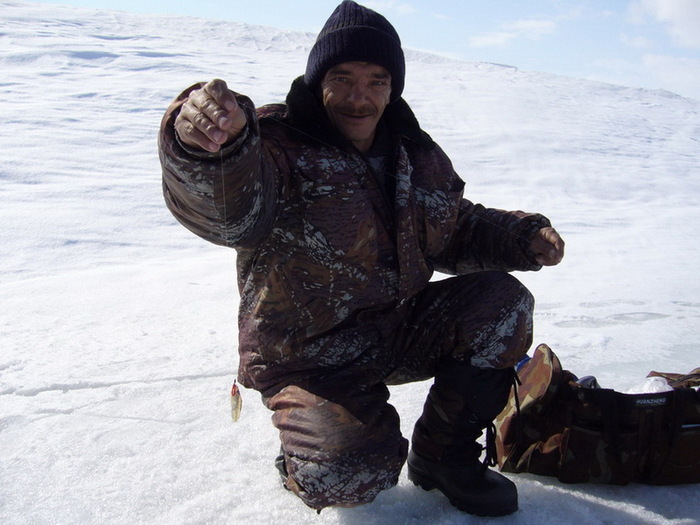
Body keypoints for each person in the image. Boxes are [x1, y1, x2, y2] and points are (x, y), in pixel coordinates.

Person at [159, 0, 564, 517]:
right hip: (308, 356)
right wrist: (203, 147)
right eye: (343, 78)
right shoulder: (275, 146)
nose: (360, 97)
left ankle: (445, 457)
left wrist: (521, 236)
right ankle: (313, 457)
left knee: (501, 301)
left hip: (396, 328)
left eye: (376, 81)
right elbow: (228, 210)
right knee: (350, 475)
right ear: (316, 80)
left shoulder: (412, 152)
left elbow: (452, 224)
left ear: (392, 87)